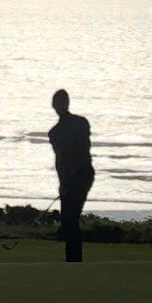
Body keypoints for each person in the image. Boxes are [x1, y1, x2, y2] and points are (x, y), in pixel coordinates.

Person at [47, 89, 94, 263]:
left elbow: (82, 151)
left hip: (82, 175)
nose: (59, 106)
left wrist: (70, 178)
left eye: (61, 102)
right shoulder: (55, 132)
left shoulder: (80, 123)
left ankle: (74, 262)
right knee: (68, 220)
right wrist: (63, 183)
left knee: (70, 219)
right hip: (70, 178)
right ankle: (72, 261)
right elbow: (60, 160)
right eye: (58, 103)